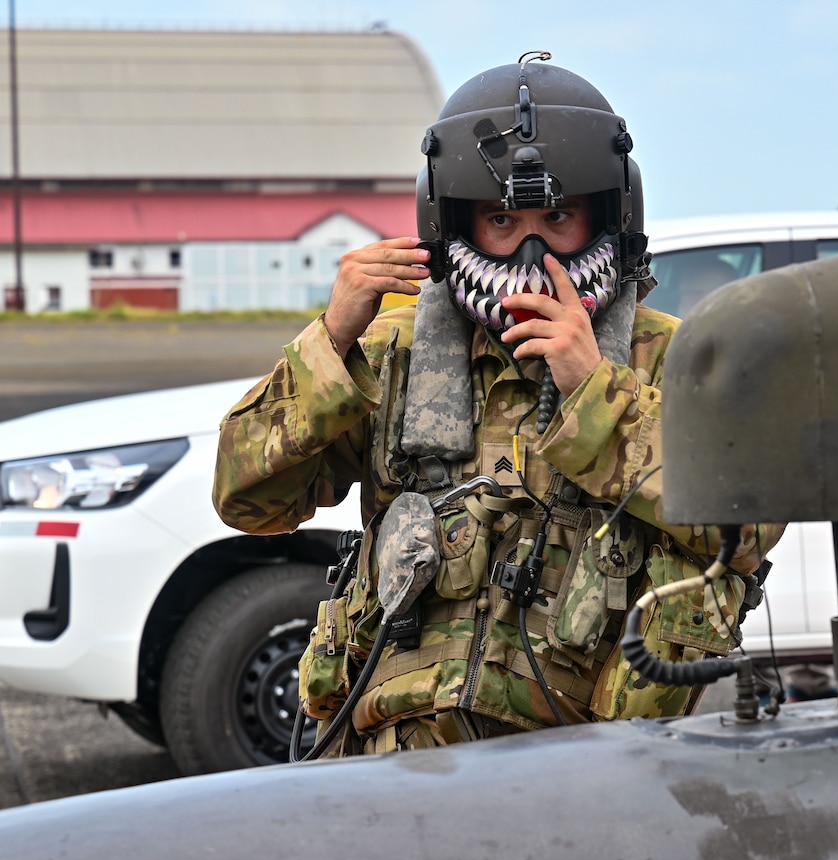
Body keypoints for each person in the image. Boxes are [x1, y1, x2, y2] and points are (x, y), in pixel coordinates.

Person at [213, 54, 778, 755]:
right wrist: (330, 341)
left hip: (586, 768)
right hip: (398, 756)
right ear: (456, 225)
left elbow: (749, 529)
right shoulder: (396, 353)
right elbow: (247, 501)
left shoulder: (668, 359)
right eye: (503, 220)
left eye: (559, 216)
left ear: (608, 215)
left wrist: (592, 389)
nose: (531, 247)